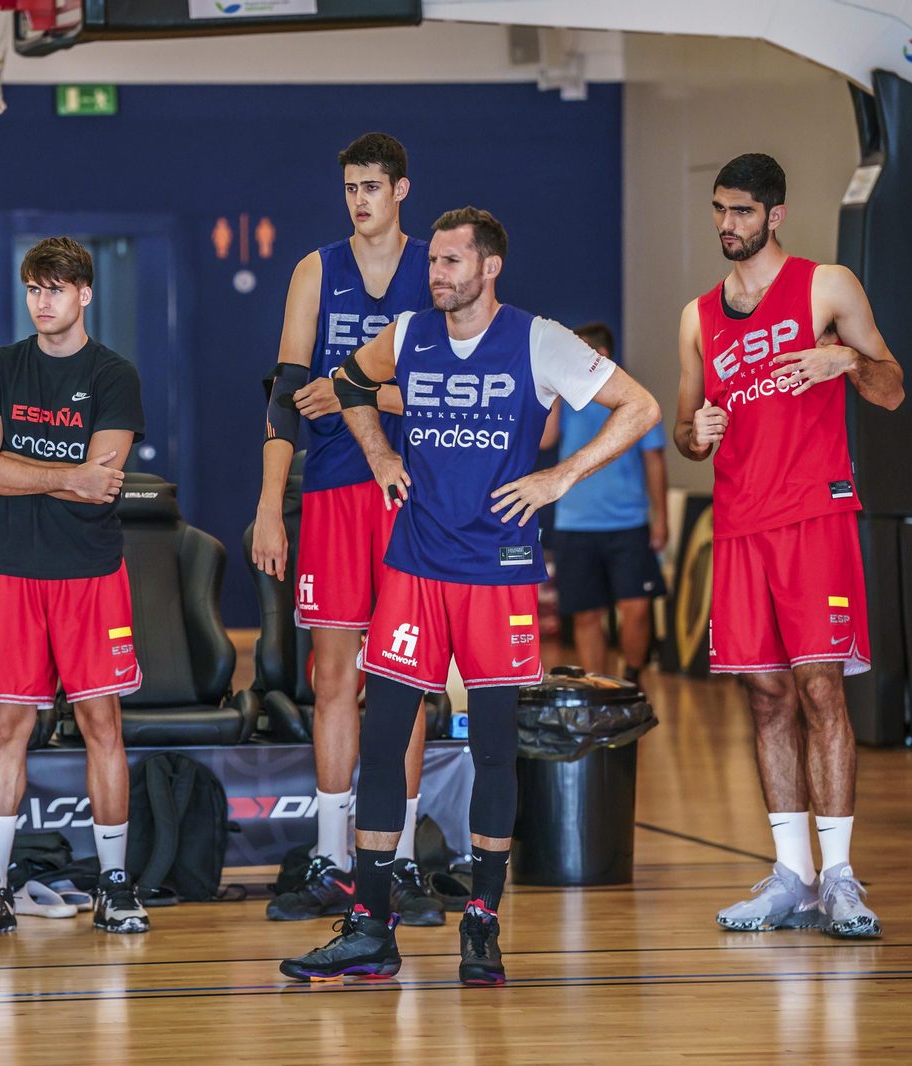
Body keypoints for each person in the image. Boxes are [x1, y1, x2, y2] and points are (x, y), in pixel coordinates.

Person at [280, 207, 660, 985]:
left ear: (490, 269)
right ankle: (369, 925)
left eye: (453, 261)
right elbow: (348, 381)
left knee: (492, 751)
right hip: (417, 565)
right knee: (383, 743)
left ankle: (482, 923)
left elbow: (641, 407)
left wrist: (561, 476)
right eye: (436, 261)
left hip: (498, 571)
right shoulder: (412, 333)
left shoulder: (537, 338)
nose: (437, 272)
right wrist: (380, 451)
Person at [675, 154, 903, 939]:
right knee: (765, 696)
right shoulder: (697, 315)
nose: (725, 225)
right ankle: (792, 876)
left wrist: (846, 359)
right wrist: (693, 433)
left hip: (814, 516)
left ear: (773, 215)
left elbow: (894, 385)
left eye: (739, 212)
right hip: (740, 525)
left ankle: (840, 876)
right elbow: (684, 427)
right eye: (718, 210)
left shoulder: (825, 285)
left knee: (818, 689)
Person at [251, 132, 442, 925]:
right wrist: (270, 502)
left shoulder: (439, 265)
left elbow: (449, 385)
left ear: (401, 189)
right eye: (350, 187)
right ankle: (334, 861)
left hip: (413, 490)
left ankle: (391, 866)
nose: (360, 198)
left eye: (373, 185)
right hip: (329, 490)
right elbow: (287, 390)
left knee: (406, 681)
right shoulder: (314, 269)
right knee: (334, 678)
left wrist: (357, 392)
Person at [0, 235, 148, 938]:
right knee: (7, 726)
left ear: (84, 294)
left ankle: (116, 884)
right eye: (35, 289)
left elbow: (105, 485)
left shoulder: (115, 375)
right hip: (13, 571)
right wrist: (66, 476)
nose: (44, 302)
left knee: (102, 724)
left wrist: (25, 470)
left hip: (91, 574)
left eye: (57, 289)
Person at [540, 322, 669, 681]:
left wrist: (661, 518)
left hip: (627, 522)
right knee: (585, 614)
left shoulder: (633, 395)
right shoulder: (564, 397)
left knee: (637, 609)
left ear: (601, 356)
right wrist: (551, 387)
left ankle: (631, 679)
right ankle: (597, 689)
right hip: (575, 522)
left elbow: (654, 459)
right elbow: (544, 440)